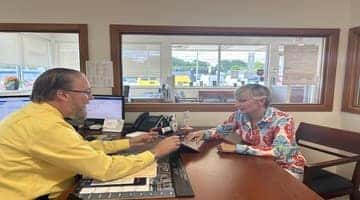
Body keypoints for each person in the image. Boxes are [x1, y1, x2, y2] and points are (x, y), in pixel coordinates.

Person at [0, 68, 181, 199]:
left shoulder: (37, 116)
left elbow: (81, 148)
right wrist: (155, 152)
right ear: (63, 95)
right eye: (86, 92)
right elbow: (105, 169)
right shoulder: (44, 125)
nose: (91, 98)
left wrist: (130, 143)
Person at [186, 84, 306, 179]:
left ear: (261, 101)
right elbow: (222, 130)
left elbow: (279, 151)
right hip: (259, 163)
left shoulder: (283, 119)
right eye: (236, 100)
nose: (236, 104)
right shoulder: (240, 115)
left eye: (242, 101)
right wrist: (203, 133)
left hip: (285, 168)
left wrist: (236, 148)